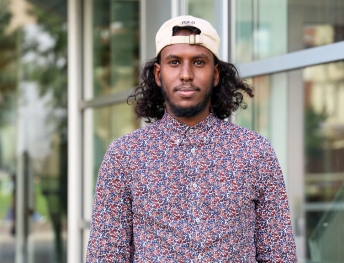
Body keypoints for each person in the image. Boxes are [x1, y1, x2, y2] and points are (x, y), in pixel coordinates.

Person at [86, 15, 297, 262]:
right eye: (174, 62)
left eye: (198, 62)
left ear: (216, 74)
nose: (186, 74)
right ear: (158, 73)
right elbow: (106, 254)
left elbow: (279, 253)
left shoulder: (254, 151)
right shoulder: (125, 155)